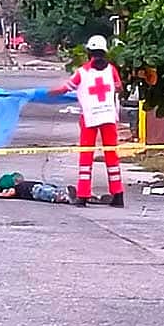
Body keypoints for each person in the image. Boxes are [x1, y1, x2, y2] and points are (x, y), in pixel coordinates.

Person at [50, 35, 124, 208]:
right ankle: (118, 195)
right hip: (108, 116)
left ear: (89, 52)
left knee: (86, 156)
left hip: (90, 117)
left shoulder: (82, 72)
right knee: (112, 155)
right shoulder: (111, 69)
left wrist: (45, 93)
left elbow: (64, 88)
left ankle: (83, 195)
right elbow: (119, 86)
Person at [0, 172, 77, 204]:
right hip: (36, 187)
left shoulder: (17, 187)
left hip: (35, 190)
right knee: (50, 191)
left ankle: (65, 196)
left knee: (49, 193)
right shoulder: (16, 187)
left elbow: (8, 194)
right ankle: (68, 194)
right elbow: (9, 193)